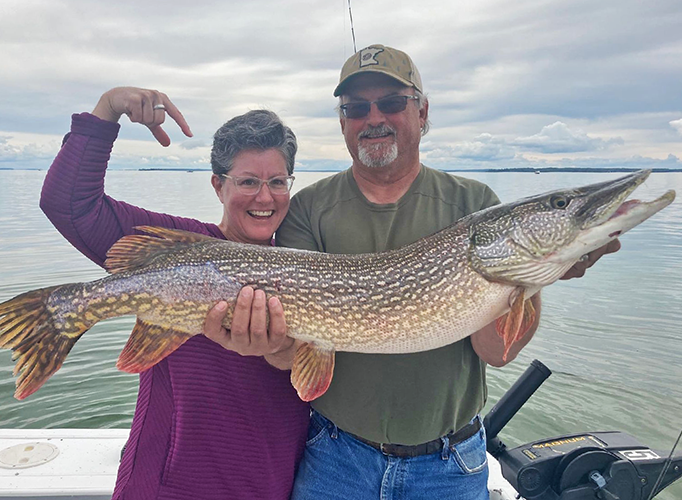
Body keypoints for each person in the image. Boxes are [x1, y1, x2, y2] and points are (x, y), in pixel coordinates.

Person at [204, 45, 620, 499]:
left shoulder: (473, 203)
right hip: (335, 456)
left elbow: (495, 352)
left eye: (392, 102)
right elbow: (295, 351)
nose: (373, 117)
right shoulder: (307, 208)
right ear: (343, 122)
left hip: (450, 464)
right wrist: (266, 344)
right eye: (357, 108)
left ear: (422, 112)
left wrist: (533, 277)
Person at [39, 87, 309, 500]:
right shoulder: (179, 246)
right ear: (218, 186)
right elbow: (68, 204)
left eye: (277, 181)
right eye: (248, 181)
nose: (264, 196)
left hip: (268, 487)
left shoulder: (307, 270)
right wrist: (108, 109)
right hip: (165, 488)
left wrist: (282, 352)